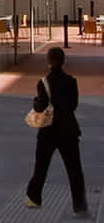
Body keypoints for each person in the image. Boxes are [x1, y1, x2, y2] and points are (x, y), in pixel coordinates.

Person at [25, 47, 88, 216]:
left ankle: (34, 198)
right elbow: (73, 105)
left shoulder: (44, 82)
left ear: (49, 61)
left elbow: (40, 106)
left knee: (41, 166)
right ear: (63, 61)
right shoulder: (71, 82)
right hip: (69, 130)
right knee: (74, 170)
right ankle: (80, 206)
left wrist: (36, 102)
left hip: (48, 131)